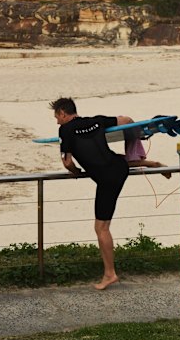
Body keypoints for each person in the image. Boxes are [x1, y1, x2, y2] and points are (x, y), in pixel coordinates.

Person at [49, 98, 130, 290]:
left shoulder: (65, 130)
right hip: (120, 168)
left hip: (106, 179)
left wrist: (76, 172)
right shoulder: (97, 120)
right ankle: (152, 164)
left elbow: (67, 162)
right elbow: (126, 119)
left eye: (56, 117)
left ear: (63, 113)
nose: (56, 121)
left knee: (101, 227)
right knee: (104, 224)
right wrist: (132, 139)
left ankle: (110, 274)